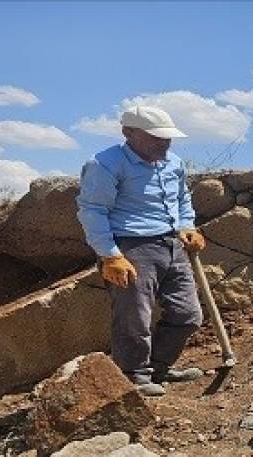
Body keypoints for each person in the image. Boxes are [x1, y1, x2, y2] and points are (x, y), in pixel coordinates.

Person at [75, 105, 206, 397]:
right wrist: (110, 254)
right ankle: (132, 376)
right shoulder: (105, 164)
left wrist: (188, 225)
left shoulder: (173, 162)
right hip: (130, 248)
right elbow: (93, 210)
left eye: (168, 138)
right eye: (156, 138)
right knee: (134, 318)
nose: (164, 143)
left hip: (173, 244)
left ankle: (158, 368)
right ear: (128, 133)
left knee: (188, 315)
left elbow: (183, 197)